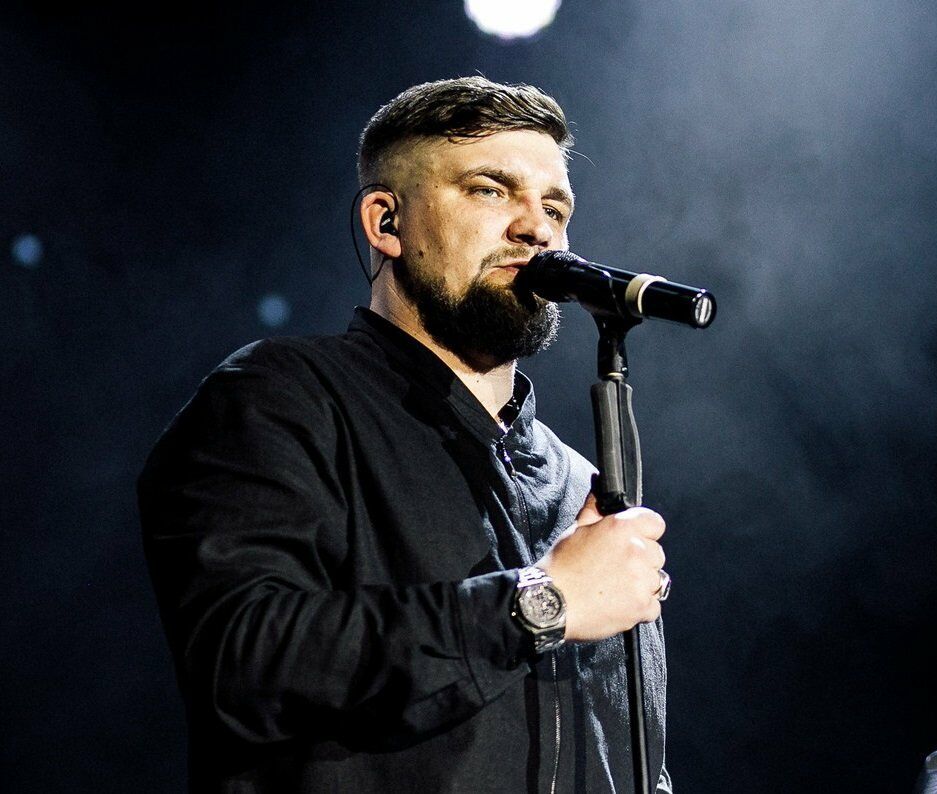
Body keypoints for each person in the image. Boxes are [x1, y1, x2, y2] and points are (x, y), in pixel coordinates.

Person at [139, 77, 671, 793]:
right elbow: (243, 662)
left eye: (554, 208)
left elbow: (630, 757)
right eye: (490, 190)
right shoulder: (280, 397)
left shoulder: (579, 481)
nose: (537, 229)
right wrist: (540, 604)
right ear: (387, 221)